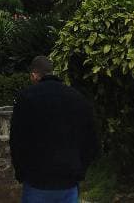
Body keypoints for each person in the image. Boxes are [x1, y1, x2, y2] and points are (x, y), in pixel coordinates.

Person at [10, 55, 98, 203]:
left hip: (36, 180)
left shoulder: (26, 98)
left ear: (34, 75)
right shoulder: (77, 98)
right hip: (68, 180)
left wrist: (21, 173)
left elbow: (17, 141)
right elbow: (91, 140)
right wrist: (79, 171)